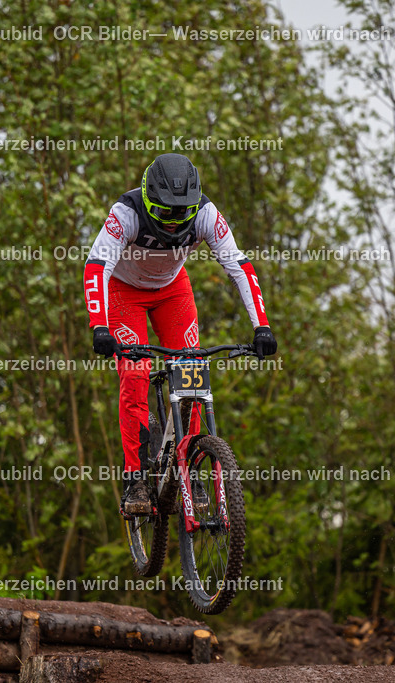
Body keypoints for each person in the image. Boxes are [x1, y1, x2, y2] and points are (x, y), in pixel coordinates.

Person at [84, 153, 276, 515]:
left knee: (193, 373)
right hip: (125, 294)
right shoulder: (125, 213)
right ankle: (136, 477)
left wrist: (261, 326)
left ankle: (190, 461)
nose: (174, 223)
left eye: (181, 214)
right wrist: (99, 325)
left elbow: (239, 265)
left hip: (173, 292)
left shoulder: (206, 213)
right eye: (165, 213)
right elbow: (96, 266)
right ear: (148, 199)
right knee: (135, 374)